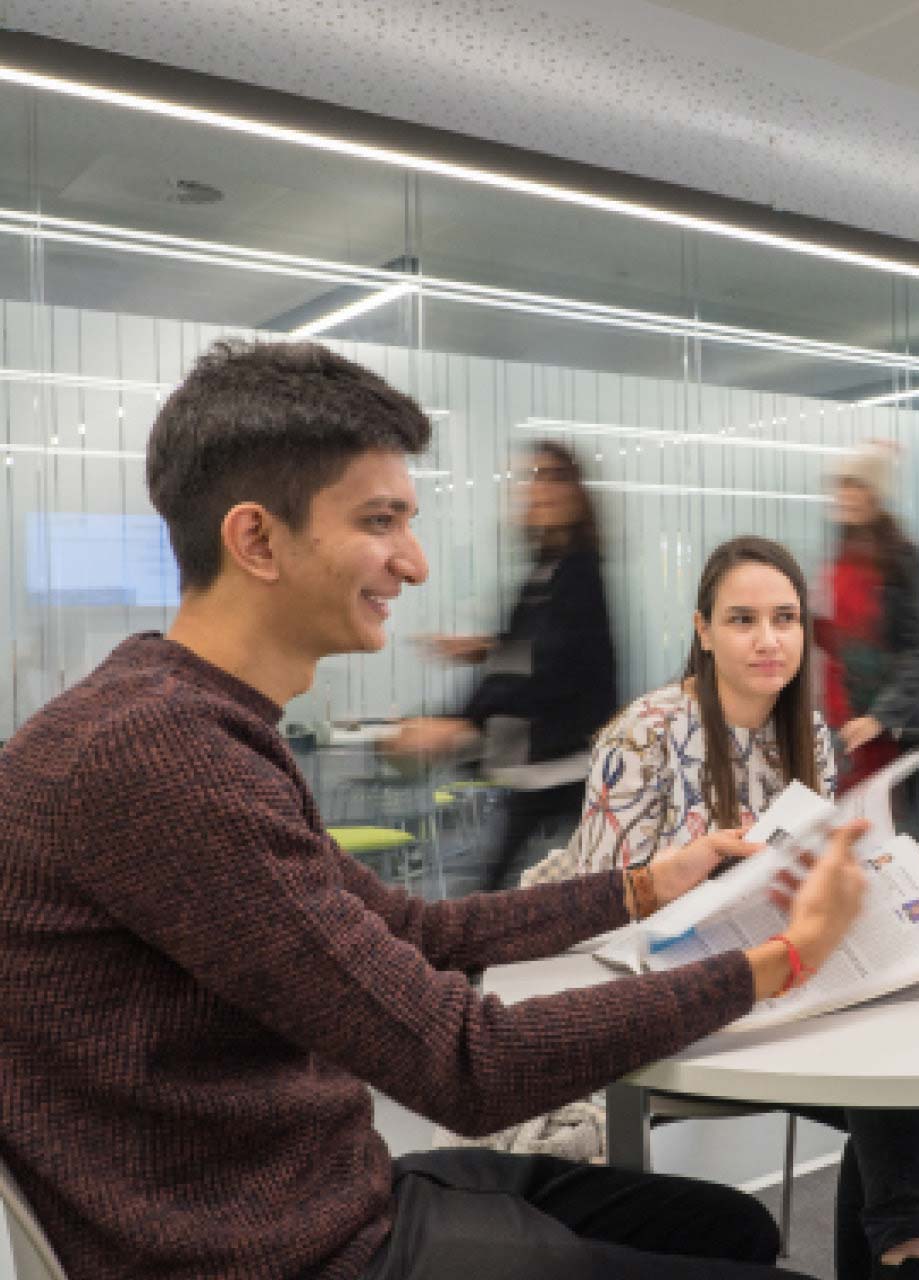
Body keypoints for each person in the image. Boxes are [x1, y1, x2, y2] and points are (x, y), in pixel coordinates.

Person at [0, 340, 868, 1280]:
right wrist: (784, 959)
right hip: (292, 1253)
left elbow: (414, 929)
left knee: (727, 1228)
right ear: (256, 540)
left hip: (320, 1193)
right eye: (382, 521)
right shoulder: (161, 757)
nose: (412, 563)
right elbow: (467, 1064)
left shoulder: (188, 722)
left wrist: (644, 886)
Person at [570, 534, 919, 1280]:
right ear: (703, 631)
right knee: (891, 1092)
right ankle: (908, 1253)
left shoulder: (803, 732)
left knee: (901, 1064)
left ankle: (904, 1250)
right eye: (742, 620)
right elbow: (599, 910)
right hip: (673, 996)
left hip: (773, 980)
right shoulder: (641, 735)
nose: (769, 640)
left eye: (786, 618)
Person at [391, 439, 617, 891]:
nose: (539, 491)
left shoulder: (578, 573)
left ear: (577, 495)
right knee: (512, 895)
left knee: (518, 895)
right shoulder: (544, 572)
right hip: (542, 768)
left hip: (566, 766)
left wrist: (462, 725)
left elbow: (553, 667)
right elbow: (523, 654)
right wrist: (485, 652)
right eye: (531, 479)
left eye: (553, 478)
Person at [815, 443, 919, 841]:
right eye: (842, 485)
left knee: (893, 834)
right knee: (850, 832)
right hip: (844, 723)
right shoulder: (840, 555)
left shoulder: (901, 558)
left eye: (857, 485)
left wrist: (880, 716)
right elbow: (832, 635)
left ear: (876, 493)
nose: (846, 495)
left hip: (892, 728)